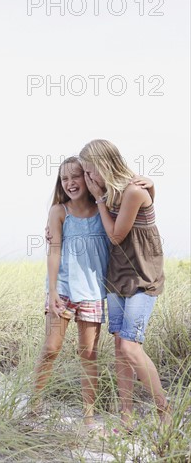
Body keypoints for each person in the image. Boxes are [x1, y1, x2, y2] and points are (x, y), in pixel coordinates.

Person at [78, 139, 171, 432]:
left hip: (143, 277)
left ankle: (164, 410)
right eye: (86, 174)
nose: (89, 179)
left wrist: (99, 199)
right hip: (117, 278)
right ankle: (126, 417)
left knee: (131, 347)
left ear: (105, 165)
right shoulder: (113, 192)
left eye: (91, 172)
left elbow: (117, 236)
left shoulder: (131, 191)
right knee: (119, 347)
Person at [29, 156, 110, 433]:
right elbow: (53, 251)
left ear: (88, 178)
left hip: (93, 291)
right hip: (62, 289)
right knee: (51, 348)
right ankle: (34, 405)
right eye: (65, 179)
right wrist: (51, 291)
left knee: (88, 353)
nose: (70, 183)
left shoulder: (104, 209)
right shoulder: (58, 211)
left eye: (76, 176)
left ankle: (88, 416)